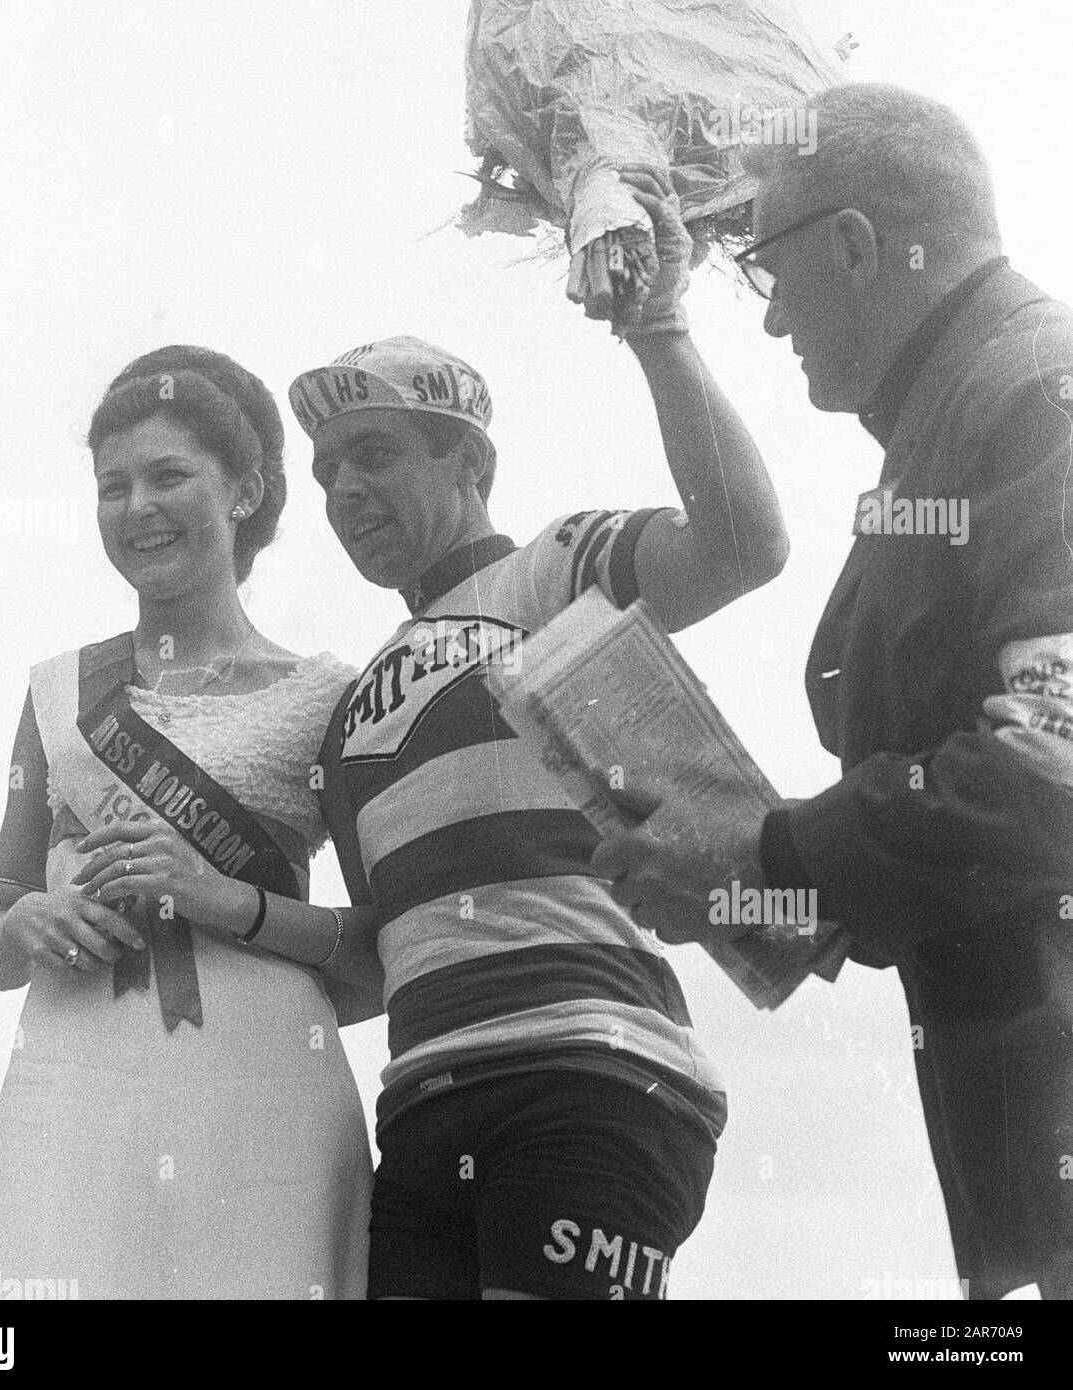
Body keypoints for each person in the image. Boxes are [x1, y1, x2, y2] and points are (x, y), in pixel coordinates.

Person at [593, 84, 1073, 1300]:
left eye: (765, 270)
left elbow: (1052, 764)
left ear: (857, 244)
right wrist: (767, 887)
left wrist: (765, 854)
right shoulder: (965, 420)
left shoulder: (1033, 396)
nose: (767, 322)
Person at [287, 170, 790, 1299]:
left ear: (472, 464)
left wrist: (657, 328)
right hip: (420, 1109)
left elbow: (746, 545)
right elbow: (378, 956)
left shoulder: (555, 569)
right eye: (326, 470)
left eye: (375, 454)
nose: (342, 488)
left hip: (595, 1076)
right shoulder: (343, 716)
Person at [0, 345, 381, 1300]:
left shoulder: (329, 697)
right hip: (72, 1081)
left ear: (245, 491)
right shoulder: (58, 692)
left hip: (264, 1088)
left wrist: (221, 899)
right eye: (113, 486)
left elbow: (383, 955)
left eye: (168, 475)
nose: (136, 506)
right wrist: (25, 925)